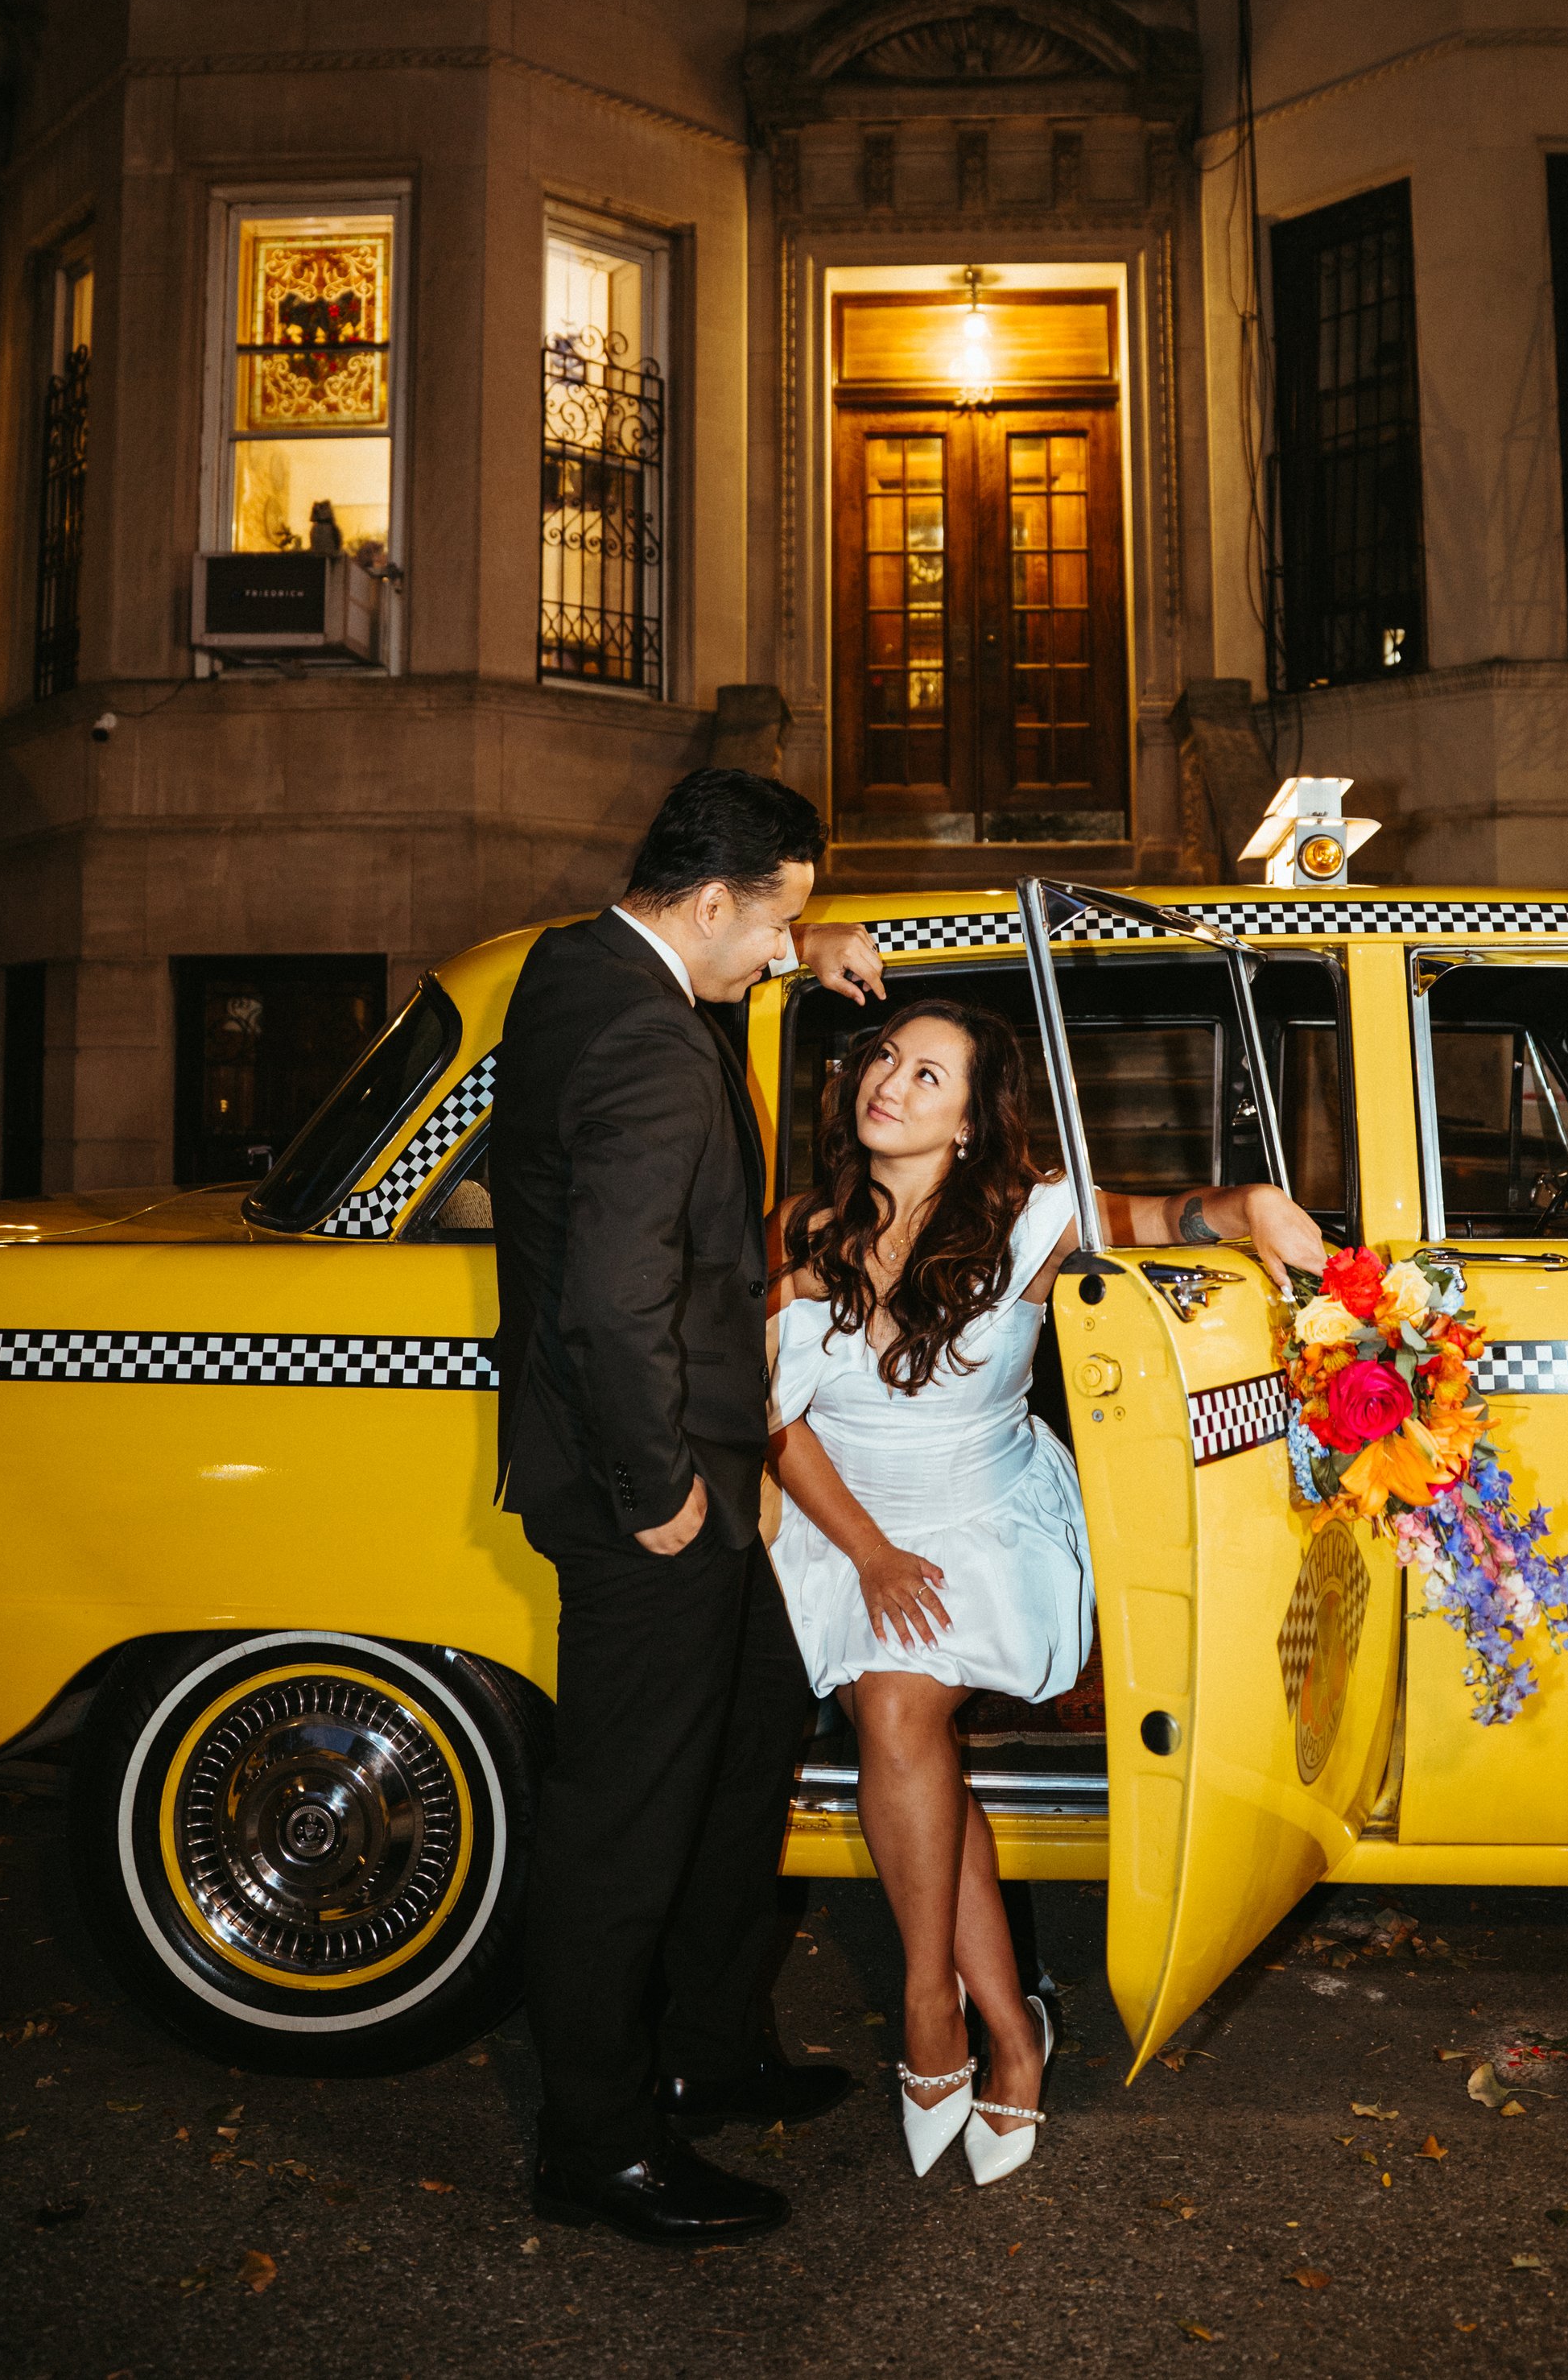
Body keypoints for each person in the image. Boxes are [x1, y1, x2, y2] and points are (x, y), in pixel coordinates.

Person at [767, 998, 1327, 2189]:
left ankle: (932, 2009)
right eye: (884, 1060)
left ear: (974, 1120)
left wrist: (1251, 1207)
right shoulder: (804, 1227)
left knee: (897, 1716)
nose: (890, 1084)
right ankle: (1006, 2025)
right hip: (843, 1525)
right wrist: (868, 1554)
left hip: (986, 1516)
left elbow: (1169, 1218)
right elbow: (771, 1417)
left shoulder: (1031, 1218)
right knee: (912, 1743)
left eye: (930, 1075)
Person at [493, 766, 888, 2248]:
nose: (782, 949)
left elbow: (717, 952)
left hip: (690, 1477)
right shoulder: (651, 1046)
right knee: (624, 1817)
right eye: (774, 923)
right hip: (646, 1492)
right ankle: (597, 2144)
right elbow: (612, 1300)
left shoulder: (580, 964)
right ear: (712, 900)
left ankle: (707, 2052)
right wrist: (659, 1486)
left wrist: (807, 941)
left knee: (739, 1748)